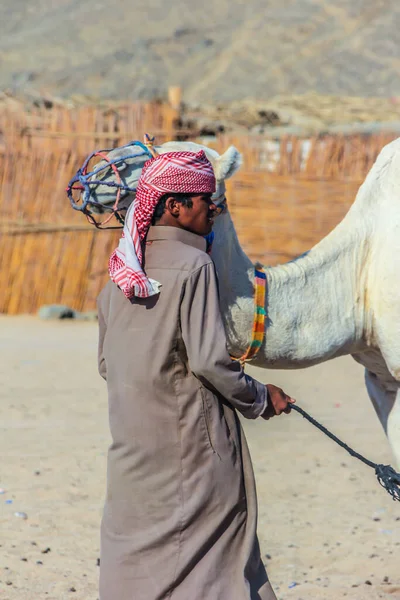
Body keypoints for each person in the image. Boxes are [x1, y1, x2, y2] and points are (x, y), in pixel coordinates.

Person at [97, 150, 295, 600]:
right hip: (193, 451)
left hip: (131, 450)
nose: (214, 211)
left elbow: (108, 365)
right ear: (175, 206)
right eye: (208, 202)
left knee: (137, 555)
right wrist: (263, 397)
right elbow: (208, 361)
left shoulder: (119, 275)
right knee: (218, 558)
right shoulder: (195, 267)